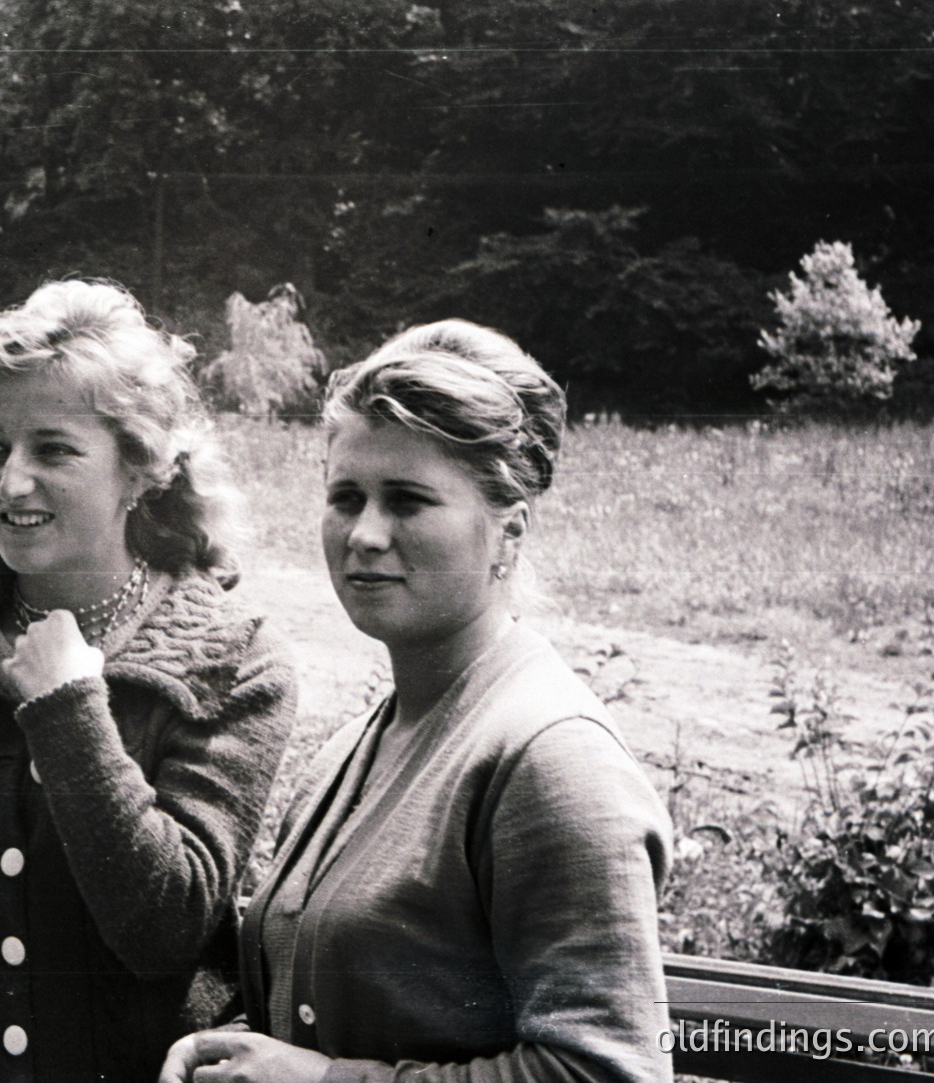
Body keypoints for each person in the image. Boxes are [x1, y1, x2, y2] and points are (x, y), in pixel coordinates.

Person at [161, 319, 673, 1083]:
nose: (363, 533)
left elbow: (607, 1073)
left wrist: (326, 1082)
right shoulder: (361, 742)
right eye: (346, 496)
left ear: (508, 532)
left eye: (406, 500)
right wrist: (232, 1045)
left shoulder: (549, 757)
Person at [0, 279, 297, 1083]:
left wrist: (67, 711)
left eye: (53, 449)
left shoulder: (233, 662)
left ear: (140, 469)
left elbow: (165, 927)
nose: (11, 481)